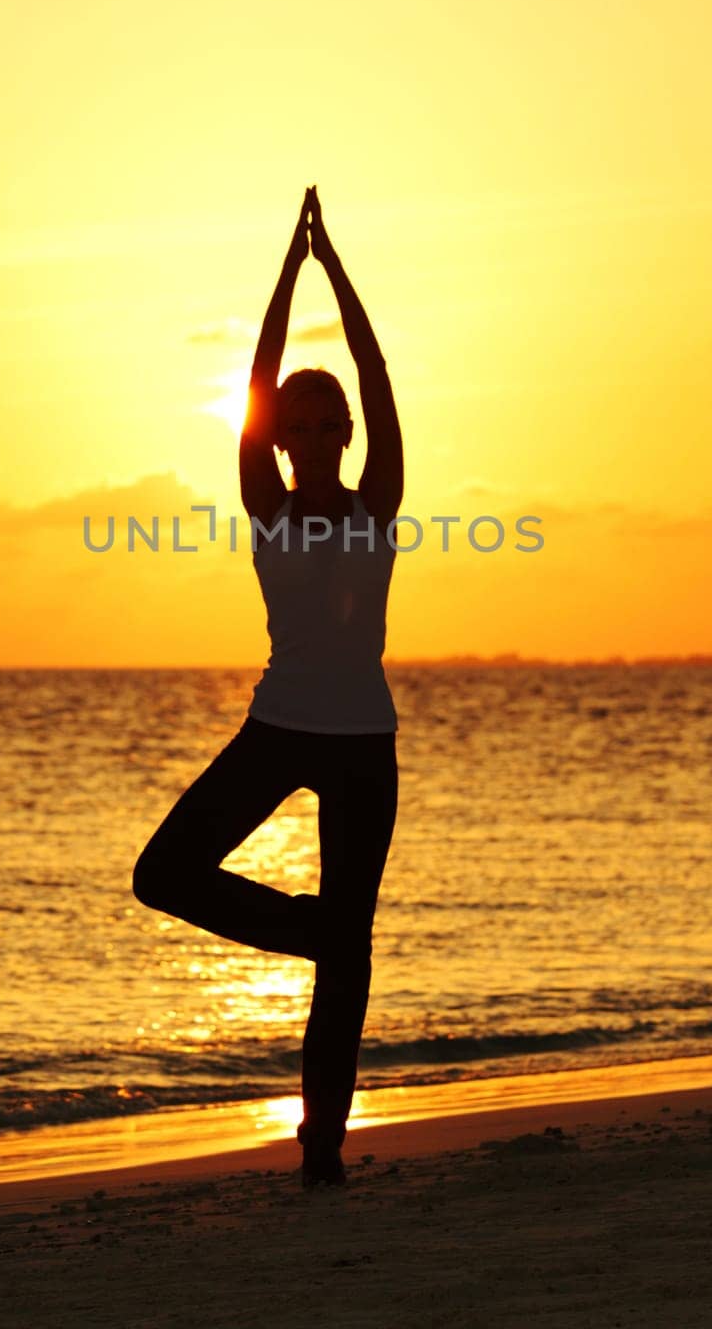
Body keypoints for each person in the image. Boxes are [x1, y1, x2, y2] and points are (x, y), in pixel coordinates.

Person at [132, 185, 403, 1188]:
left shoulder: (378, 502)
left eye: (327, 412)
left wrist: (334, 267)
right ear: (282, 439)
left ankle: (320, 1149)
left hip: (362, 742)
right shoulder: (265, 502)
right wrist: (288, 274)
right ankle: (302, 927)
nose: (318, 421)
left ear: (340, 432)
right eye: (298, 415)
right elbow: (255, 375)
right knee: (161, 873)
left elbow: (375, 377)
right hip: (278, 725)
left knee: (350, 954)